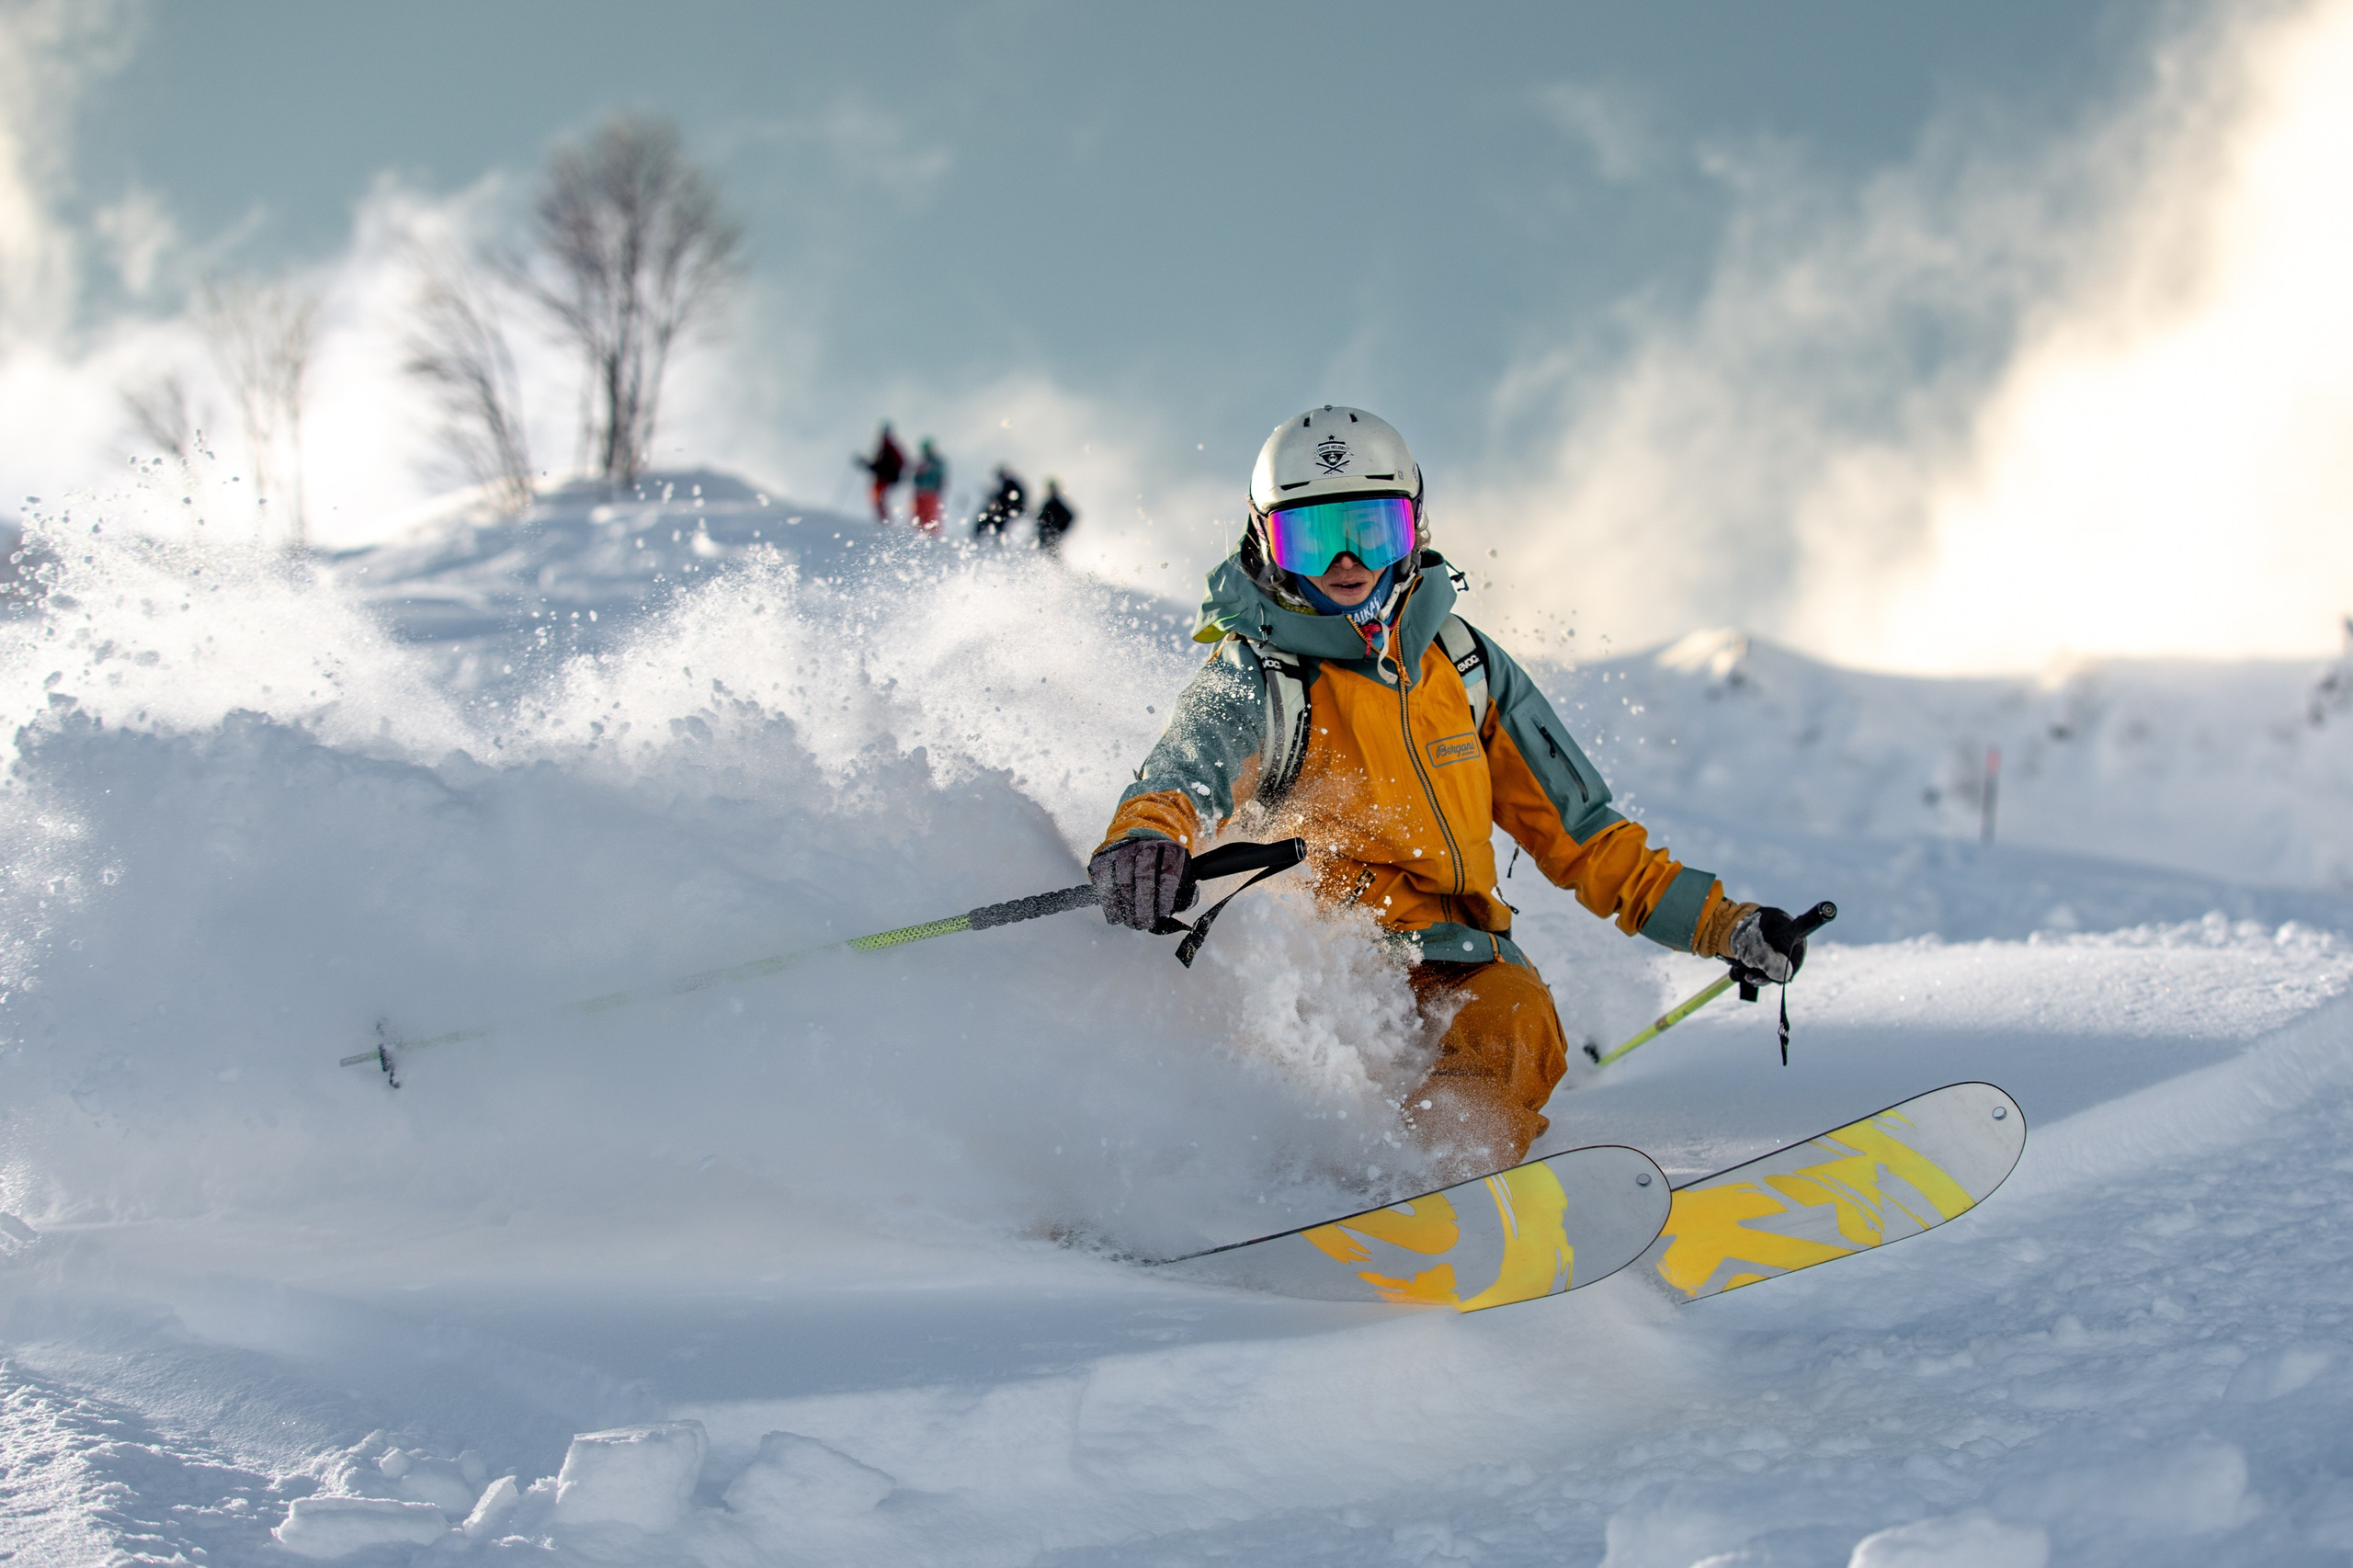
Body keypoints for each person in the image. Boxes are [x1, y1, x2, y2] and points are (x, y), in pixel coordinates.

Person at [1088, 406, 1813, 1177]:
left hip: (1462, 967)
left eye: (1372, 531)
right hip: (1327, 975)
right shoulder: (1261, 676)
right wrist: (1146, 843)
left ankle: (1441, 1188)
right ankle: (1244, 1185)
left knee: (1519, 1020)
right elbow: (1179, 776)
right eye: (1313, 536)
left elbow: (1585, 835)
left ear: (1415, 529)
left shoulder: (1463, 665)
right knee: (1281, 1064)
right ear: (1266, 540)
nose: (1345, 562)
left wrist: (1726, 926)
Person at [858, 423, 905, 522]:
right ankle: (883, 519)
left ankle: (884, 519)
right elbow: (878, 467)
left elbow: (880, 467)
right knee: (877, 498)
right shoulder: (885, 449)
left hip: (884, 479)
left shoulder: (888, 449)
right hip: (883, 478)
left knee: (878, 498)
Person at [974, 465, 1027, 539]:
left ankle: (992, 540)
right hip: (1006, 511)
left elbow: (1006, 499)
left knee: (994, 522)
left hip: (1009, 511)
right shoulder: (1009, 485)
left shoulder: (1011, 485)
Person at [911, 438, 948, 535]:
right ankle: (919, 533)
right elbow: (915, 477)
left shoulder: (936, 462)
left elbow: (940, 477)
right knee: (918, 514)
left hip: (931, 492)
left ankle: (933, 534)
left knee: (931, 515)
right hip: (920, 492)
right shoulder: (922, 462)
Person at [1033, 479, 1076, 554]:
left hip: (1050, 535)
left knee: (1052, 554)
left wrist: (1058, 530)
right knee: (1048, 553)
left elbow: (1069, 516)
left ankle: (1059, 566)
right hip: (1045, 535)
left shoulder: (1056, 503)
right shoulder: (1049, 502)